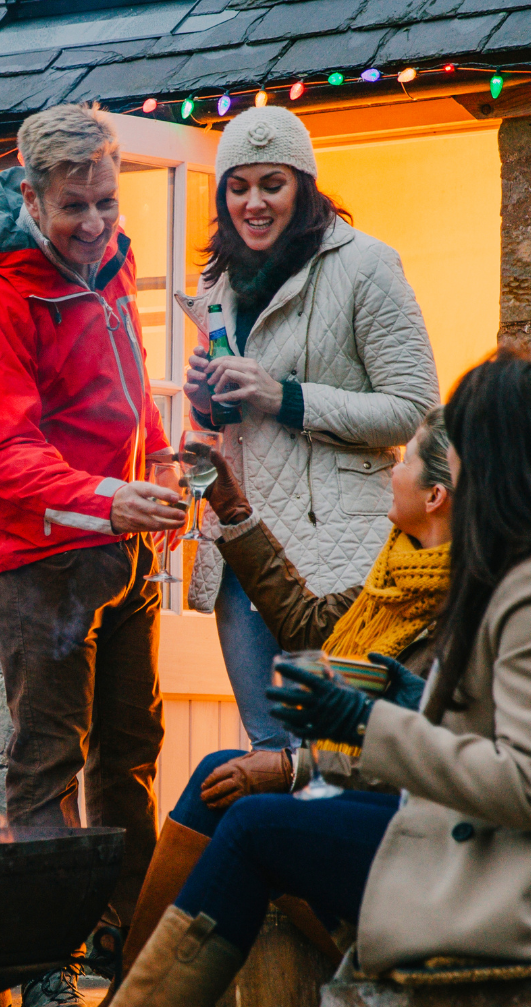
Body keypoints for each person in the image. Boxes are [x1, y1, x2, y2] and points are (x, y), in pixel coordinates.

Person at [0, 352, 531, 1007]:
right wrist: (395, 705)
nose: (412, 467)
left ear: (498, 463)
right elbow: (494, 735)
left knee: (260, 828)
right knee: (253, 815)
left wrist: (361, 727)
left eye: (445, 449)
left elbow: (529, 784)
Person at [12, 406, 451, 1007]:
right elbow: (307, 622)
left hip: (429, 828)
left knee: (246, 808)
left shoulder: (468, 605)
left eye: (408, 459)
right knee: (224, 774)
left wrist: (295, 767)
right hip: (380, 793)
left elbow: (441, 750)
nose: (392, 468)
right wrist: (231, 505)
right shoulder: (395, 578)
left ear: (436, 496)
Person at [0, 102, 181, 1007]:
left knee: (134, 754)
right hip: (39, 555)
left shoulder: (110, 268)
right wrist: (104, 497)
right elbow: (0, 451)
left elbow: (131, 391)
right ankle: (43, 960)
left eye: (107, 204)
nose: (94, 224)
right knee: (47, 761)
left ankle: (129, 942)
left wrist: (156, 464)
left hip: (119, 546)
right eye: (75, 206)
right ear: (31, 196)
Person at [182, 104, 438, 754]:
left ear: (304, 184)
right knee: (265, 748)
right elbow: (243, 425)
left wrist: (286, 397)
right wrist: (209, 405)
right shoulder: (216, 282)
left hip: (336, 557)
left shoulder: (366, 266)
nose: (254, 203)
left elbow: (414, 407)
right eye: (238, 187)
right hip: (241, 553)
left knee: (326, 757)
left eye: (272, 183)